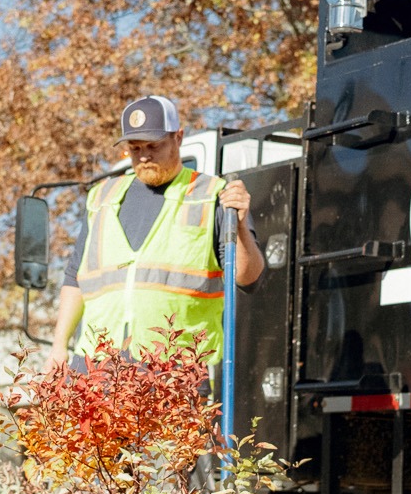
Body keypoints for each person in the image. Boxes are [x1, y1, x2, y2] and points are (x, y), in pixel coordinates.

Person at [46, 95, 263, 371]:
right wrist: (58, 346)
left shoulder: (214, 195)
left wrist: (241, 227)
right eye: (135, 148)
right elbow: (75, 277)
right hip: (96, 369)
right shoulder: (102, 197)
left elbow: (248, 278)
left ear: (179, 137)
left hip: (176, 372)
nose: (145, 156)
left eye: (154, 146)